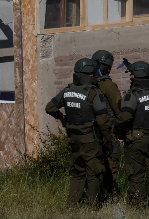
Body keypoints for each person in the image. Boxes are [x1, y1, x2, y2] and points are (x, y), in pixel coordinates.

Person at [46, 58, 113, 207]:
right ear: (89, 73)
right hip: (91, 139)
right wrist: (109, 140)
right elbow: (103, 120)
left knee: (77, 173)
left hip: (73, 139)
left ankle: (71, 204)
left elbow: (50, 107)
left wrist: (62, 118)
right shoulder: (94, 93)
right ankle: (93, 206)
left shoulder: (67, 90)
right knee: (93, 173)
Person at [118, 61, 149, 204]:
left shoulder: (132, 95)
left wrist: (118, 131)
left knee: (136, 174)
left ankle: (138, 204)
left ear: (135, 76)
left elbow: (124, 117)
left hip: (136, 140)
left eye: (131, 75)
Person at [91, 49, 127, 199]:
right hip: (108, 129)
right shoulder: (107, 85)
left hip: (92, 131)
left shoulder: (88, 85)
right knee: (111, 163)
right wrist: (121, 130)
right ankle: (110, 195)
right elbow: (118, 109)